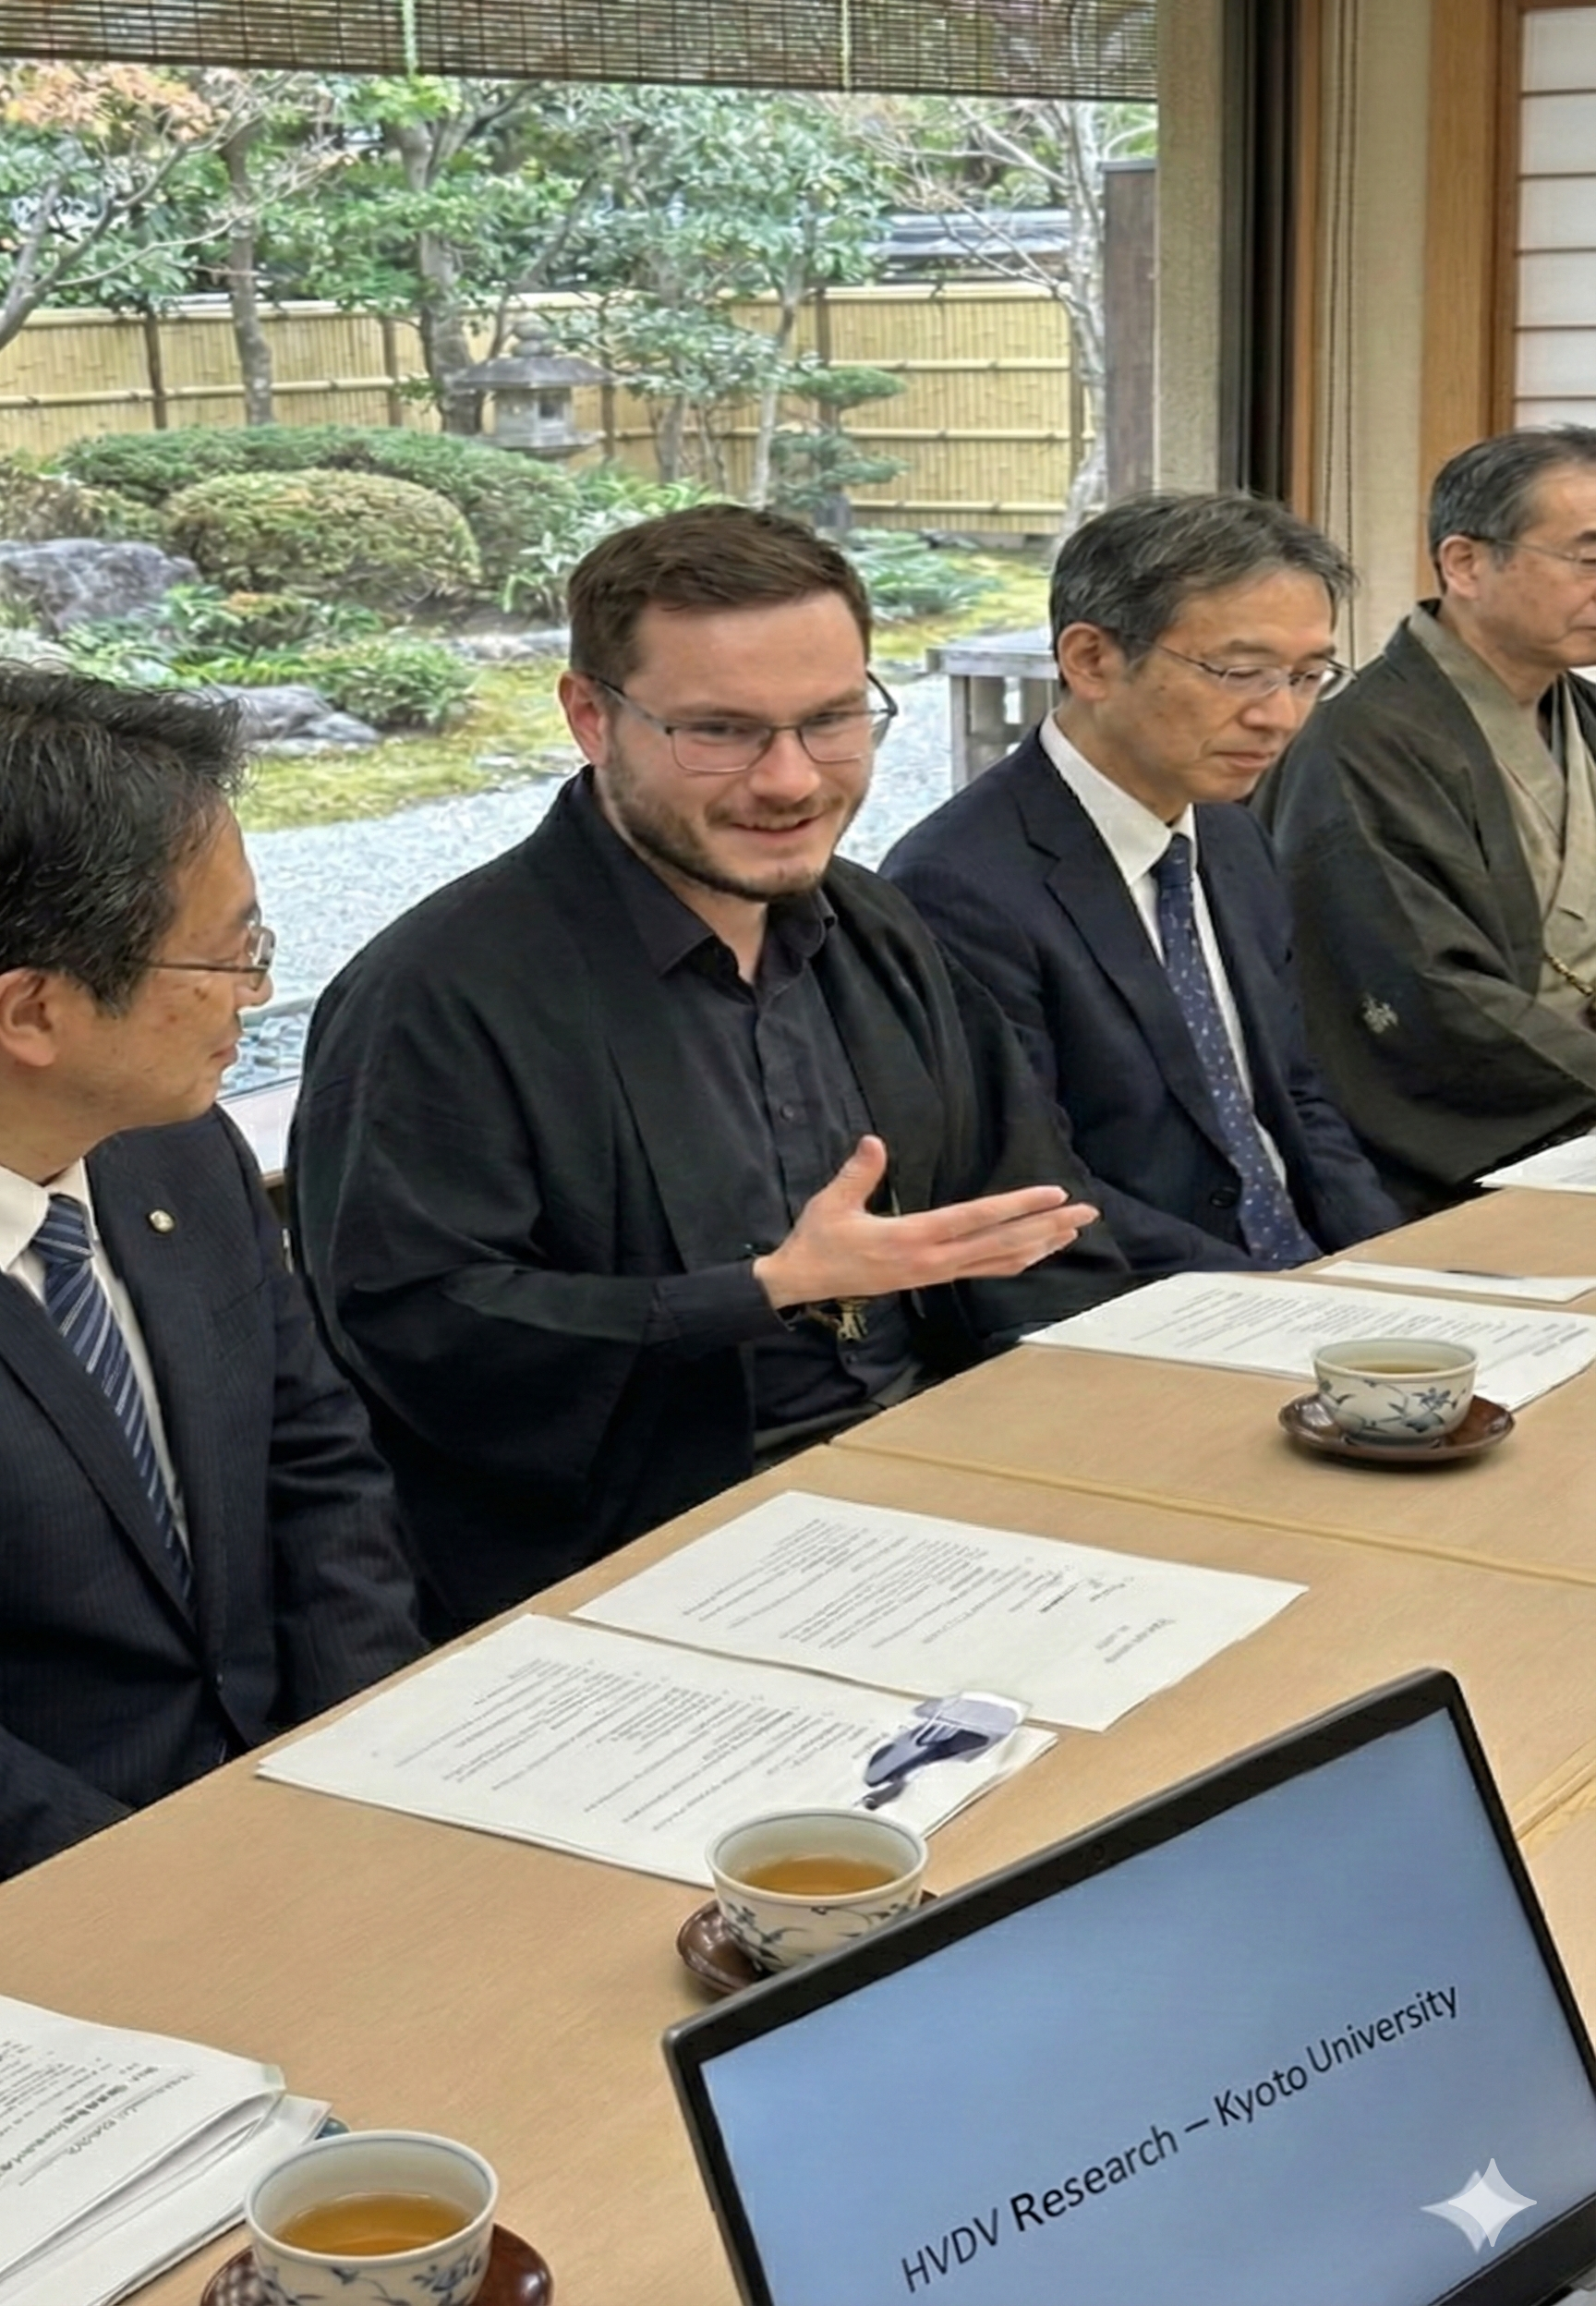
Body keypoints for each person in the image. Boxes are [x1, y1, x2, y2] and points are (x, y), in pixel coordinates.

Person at [290, 503, 1128, 1636]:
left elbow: (1027, 1211)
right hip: (656, 1559)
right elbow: (419, 1334)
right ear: (592, 717)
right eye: (722, 733)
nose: (791, 782)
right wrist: (761, 1293)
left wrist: (1100, 1451)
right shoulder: (437, 995)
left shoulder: (869, 923)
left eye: (833, 721)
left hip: (941, 1475)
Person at [0, 670, 421, 1878]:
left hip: (311, 1801)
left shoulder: (178, 1145)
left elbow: (318, 1463)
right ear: (35, 1011)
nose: (259, 994)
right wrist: (195, 1881)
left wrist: (358, 1747)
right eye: (230, 958)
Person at [881, 492, 1400, 1272]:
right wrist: (1277, 1295)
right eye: (1241, 672)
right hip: (1133, 1301)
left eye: (1306, 676)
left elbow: (1294, 1096)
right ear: (1091, 660)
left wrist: (1387, 1263)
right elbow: (1034, 1182)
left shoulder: (1229, 833)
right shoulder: (957, 884)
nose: (1281, 716)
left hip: (1304, 1273)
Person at [1255, 427, 1596, 1212]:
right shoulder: (1360, 744)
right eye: (1586, 556)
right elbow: (1423, 989)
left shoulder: (1583, 717)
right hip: (1473, 1154)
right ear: (1465, 563)